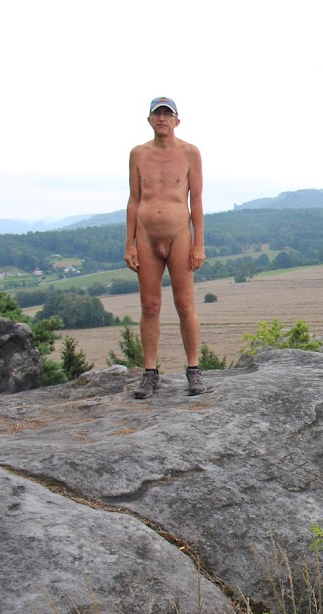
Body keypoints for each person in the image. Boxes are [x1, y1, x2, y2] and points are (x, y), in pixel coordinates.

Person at [124, 96, 208, 398]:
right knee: (150, 306)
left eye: (167, 114)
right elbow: (134, 199)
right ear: (149, 120)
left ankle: (194, 370)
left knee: (185, 305)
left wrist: (198, 243)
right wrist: (129, 244)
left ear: (176, 120)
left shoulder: (190, 153)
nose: (162, 119)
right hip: (145, 235)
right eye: (157, 114)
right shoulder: (138, 154)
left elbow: (196, 201)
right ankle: (150, 373)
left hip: (179, 235)